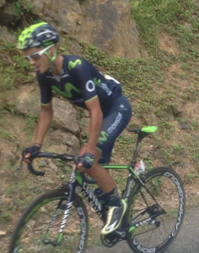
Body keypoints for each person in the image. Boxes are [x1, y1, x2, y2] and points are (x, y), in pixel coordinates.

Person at [18, 22, 132, 235]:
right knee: (91, 170)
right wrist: (36, 145)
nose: (31, 62)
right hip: (100, 115)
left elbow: (95, 111)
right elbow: (46, 112)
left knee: (88, 160)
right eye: (27, 58)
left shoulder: (77, 67)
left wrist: (89, 149)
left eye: (34, 56)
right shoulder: (44, 76)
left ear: (51, 49)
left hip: (116, 108)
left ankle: (118, 207)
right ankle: (120, 225)